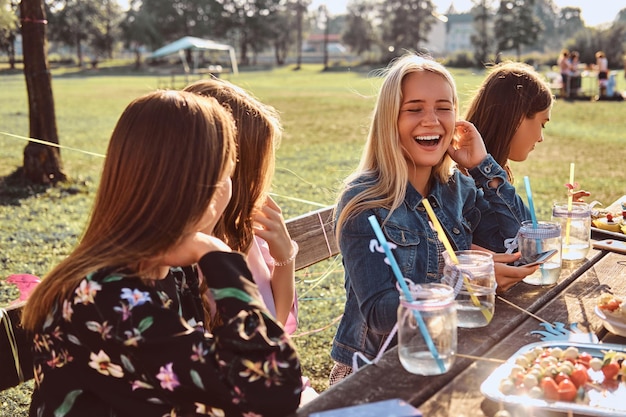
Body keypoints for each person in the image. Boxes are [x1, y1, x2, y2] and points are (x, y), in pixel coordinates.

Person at [20, 90, 303, 417]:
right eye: (226, 174)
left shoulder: (164, 274)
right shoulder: (107, 299)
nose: (230, 188)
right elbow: (274, 387)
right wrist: (217, 252)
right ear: (198, 188)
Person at [328, 54, 529, 385]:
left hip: (451, 353)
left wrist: (482, 166)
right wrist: (464, 282)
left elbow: (517, 240)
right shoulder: (366, 202)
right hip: (376, 371)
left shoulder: (459, 188)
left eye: (444, 107)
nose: (431, 120)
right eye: (414, 108)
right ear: (390, 120)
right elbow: (380, 312)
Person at [183, 79, 298, 334]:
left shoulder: (245, 233)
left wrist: (284, 258)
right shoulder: (182, 262)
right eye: (256, 169)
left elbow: (274, 328)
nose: (260, 184)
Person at [465, 61, 589, 199]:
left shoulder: (498, 173)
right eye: (542, 124)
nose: (541, 138)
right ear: (517, 119)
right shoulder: (466, 185)